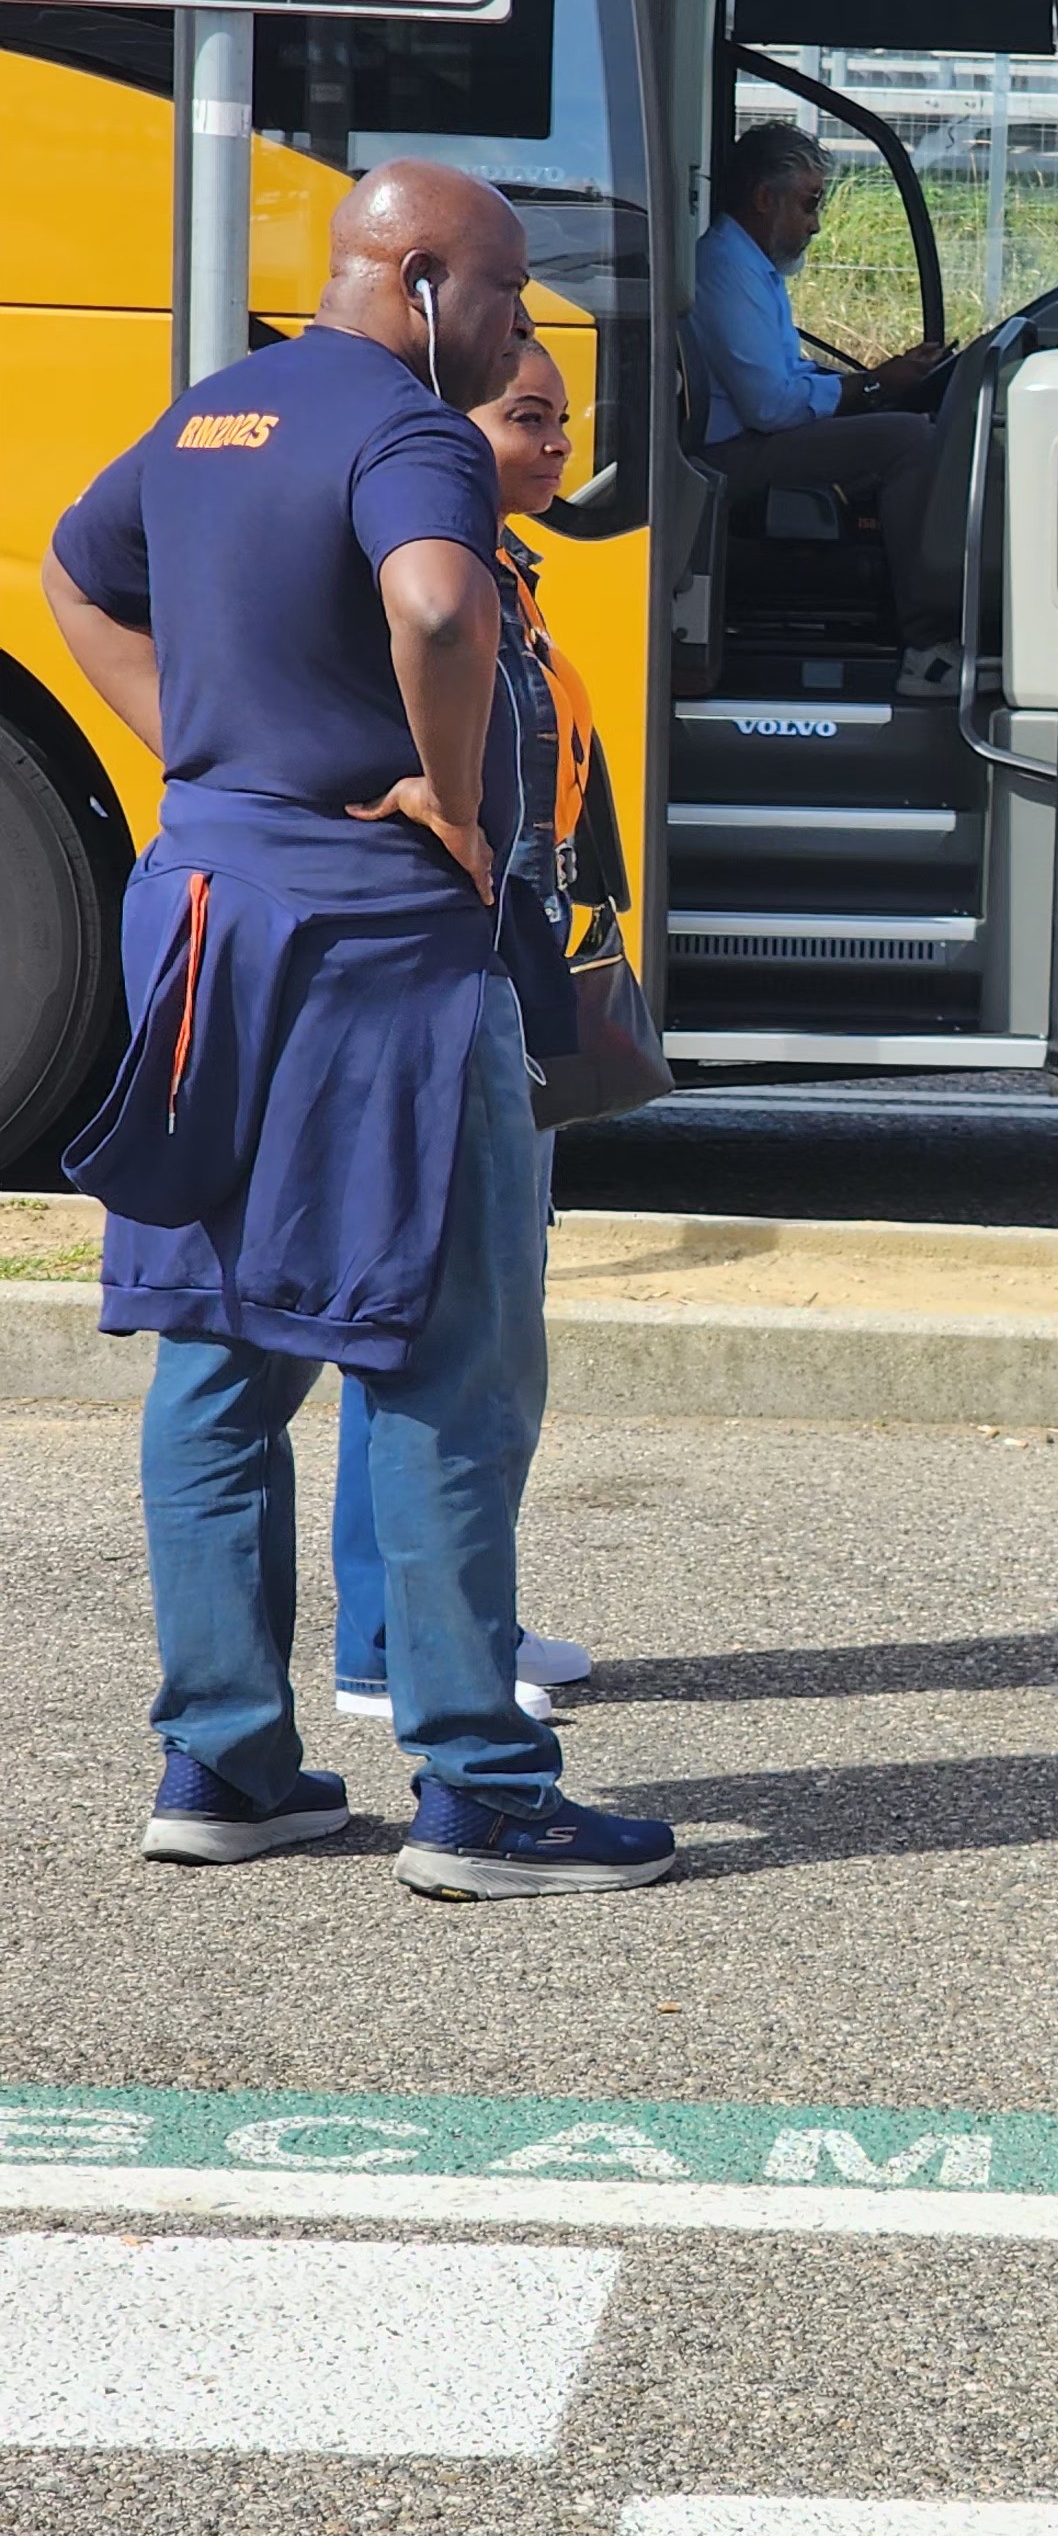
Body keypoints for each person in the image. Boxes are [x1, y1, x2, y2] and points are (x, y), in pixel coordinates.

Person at [41, 162, 676, 1904]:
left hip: (203, 917)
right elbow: (442, 607)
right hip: (378, 945)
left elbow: (75, 579)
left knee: (219, 1348)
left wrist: (208, 746)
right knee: (447, 1355)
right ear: (421, 279)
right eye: (509, 291)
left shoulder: (211, 413)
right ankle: (482, 1787)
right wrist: (455, 801)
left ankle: (227, 1763)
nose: (520, 325)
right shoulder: (412, 432)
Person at [329, 332, 594, 1736]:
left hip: (510, 976)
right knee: (436, 1317)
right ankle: (392, 1643)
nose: (556, 444)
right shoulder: (423, 580)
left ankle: (459, 1610)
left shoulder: (510, 576)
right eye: (525, 416)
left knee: (495, 1314)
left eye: (563, 419)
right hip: (445, 981)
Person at [689, 122, 950, 666]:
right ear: (765, 198)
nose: (816, 224)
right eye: (809, 204)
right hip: (729, 454)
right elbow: (771, 406)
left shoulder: (750, 268)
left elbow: (790, 374)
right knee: (909, 441)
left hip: (750, 438)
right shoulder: (726, 270)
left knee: (900, 422)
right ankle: (927, 643)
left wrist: (875, 384)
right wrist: (874, 386)